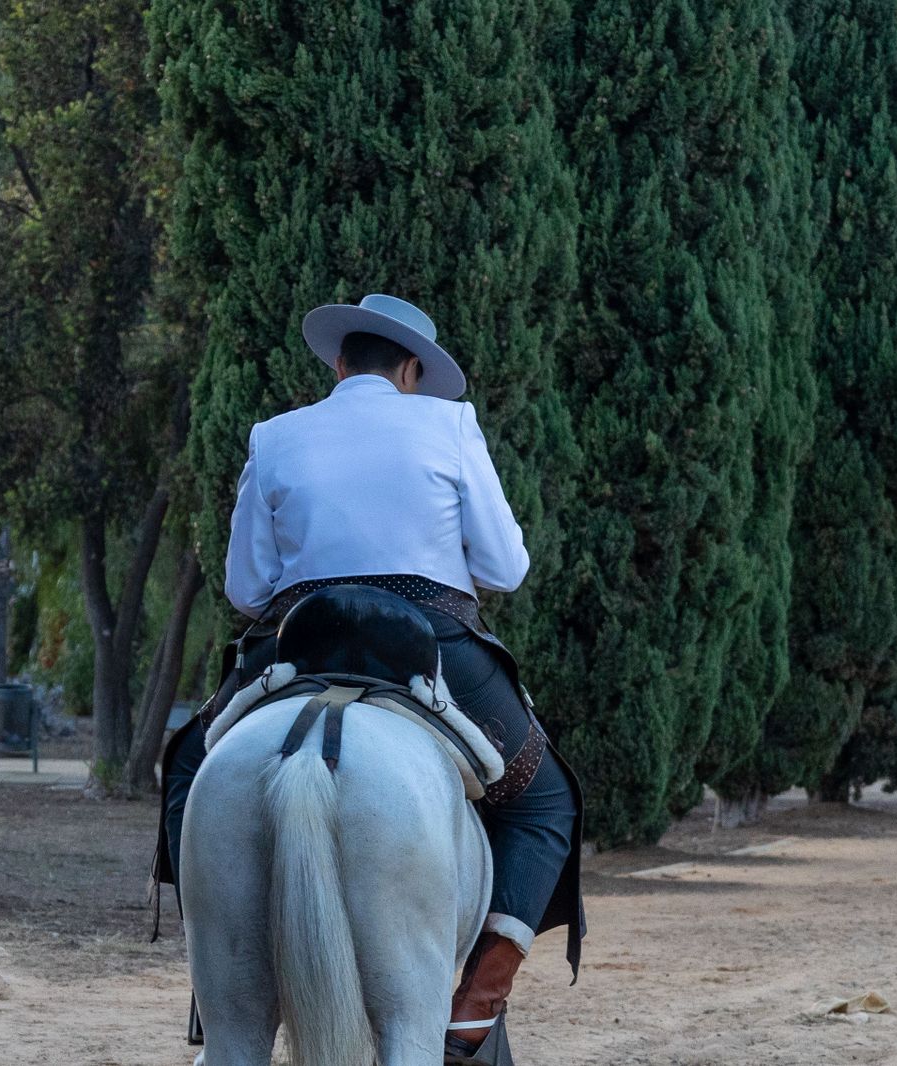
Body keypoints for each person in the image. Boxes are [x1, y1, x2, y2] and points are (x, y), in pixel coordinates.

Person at [155, 295, 583, 1065]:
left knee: (190, 765)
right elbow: (505, 569)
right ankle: (476, 1002)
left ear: (341, 364)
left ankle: (218, 981)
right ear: (412, 370)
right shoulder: (450, 425)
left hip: (299, 638)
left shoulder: (275, 436)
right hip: (433, 642)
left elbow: (246, 589)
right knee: (545, 796)